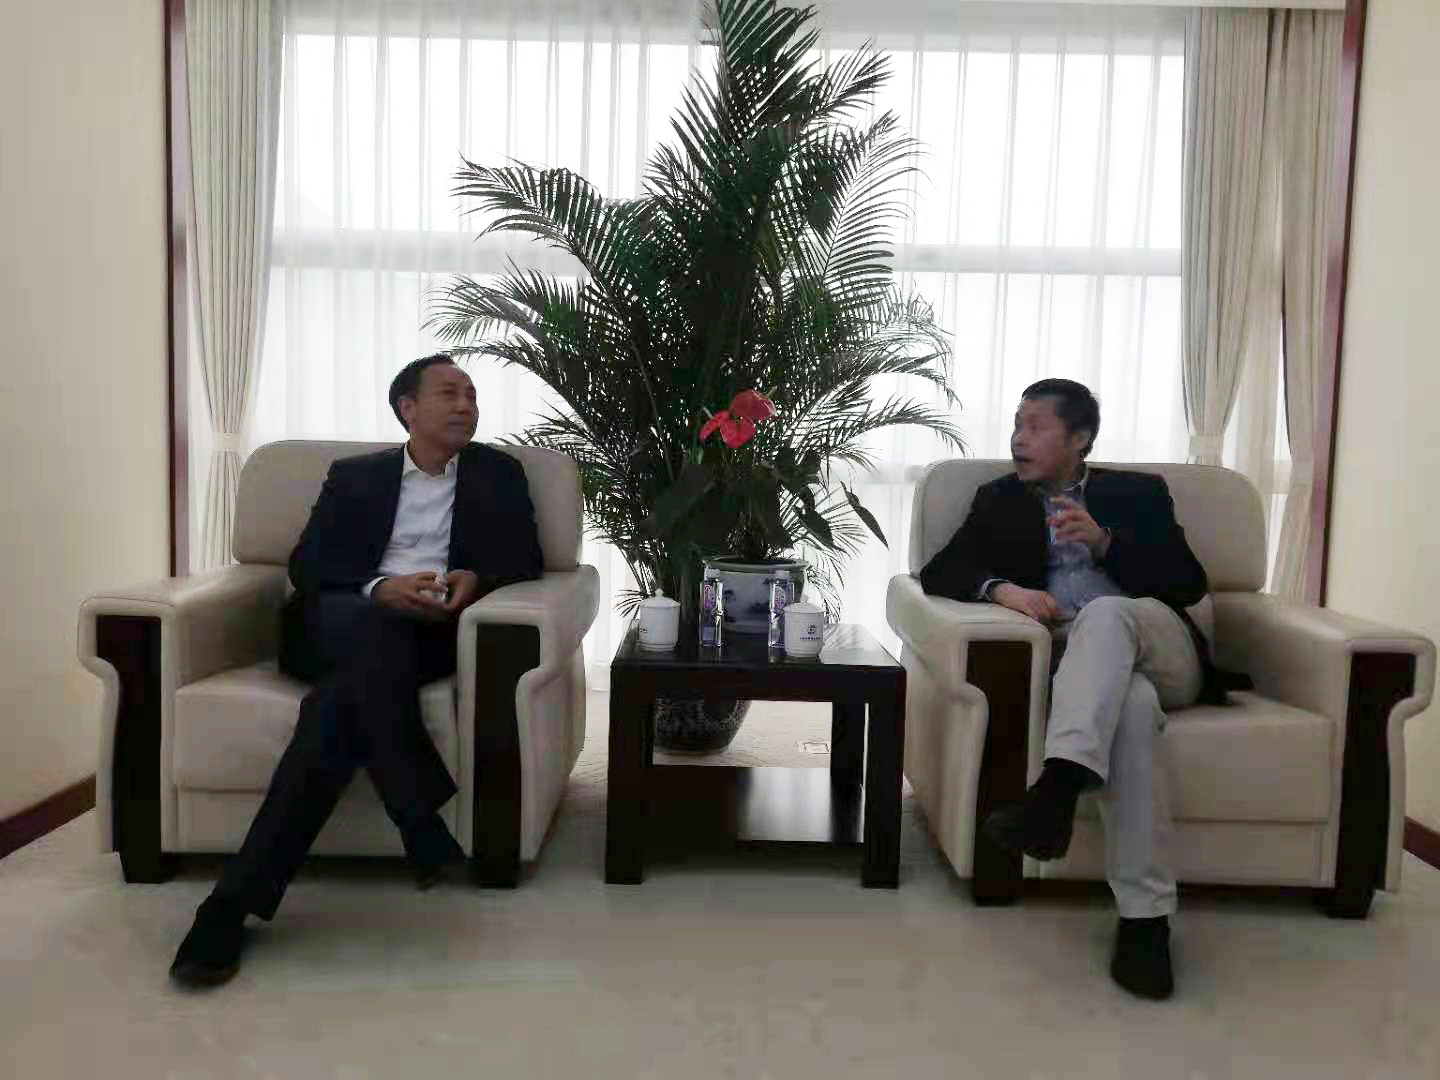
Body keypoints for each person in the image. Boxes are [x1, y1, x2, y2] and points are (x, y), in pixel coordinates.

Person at [170, 354, 544, 987]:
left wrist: (474, 577)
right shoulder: (355, 477)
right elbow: (308, 566)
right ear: (408, 408)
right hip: (338, 622)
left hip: (427, 633)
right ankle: (416, 811)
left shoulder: (498, 475)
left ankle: (228, 906)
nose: (466, 405)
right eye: (449, 393)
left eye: (472, 395)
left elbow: (526, 558)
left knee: (336, 706)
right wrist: (378, 587)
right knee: (370, 630)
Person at [918, 378, 1232, 1001]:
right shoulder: (999, 499)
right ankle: (1145, 923)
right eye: (1017, 423)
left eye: (1035, 426)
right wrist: (1003, 591)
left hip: (1160, 645)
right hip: (1086, 674)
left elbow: (1187, 583)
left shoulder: (1137, 494)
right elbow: (940, 572)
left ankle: (1056, 789)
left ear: (1080, 438)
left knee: (1108, 615)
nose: (1018, 437)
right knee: (1131, 710)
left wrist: (1107, 543)